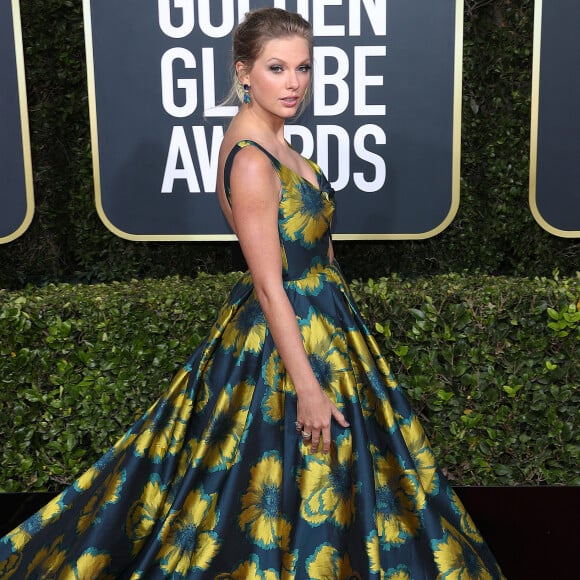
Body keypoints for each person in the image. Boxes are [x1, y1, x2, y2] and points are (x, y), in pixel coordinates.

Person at [0, 8, 504, 579]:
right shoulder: (250, 160)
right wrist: (308, 387)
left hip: (329, 323)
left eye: (303, 68)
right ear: (244, 72)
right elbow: (268, 285)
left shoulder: (275, 142)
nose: (293, 83)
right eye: (276, 68)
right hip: (290, 338)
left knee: (329, 475)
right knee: (294, 470)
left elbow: (318, 250)